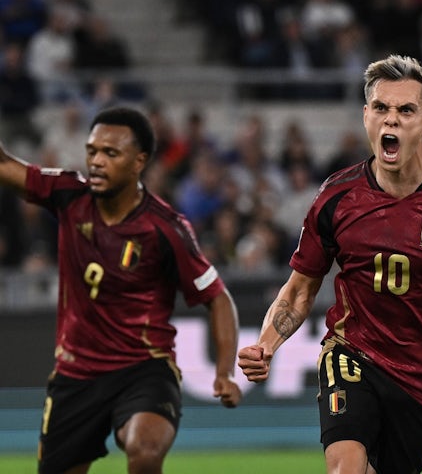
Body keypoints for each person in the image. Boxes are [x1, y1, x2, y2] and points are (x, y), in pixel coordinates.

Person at [238, 54, 422, 474]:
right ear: (366, 116)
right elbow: (299, 288)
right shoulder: (336, 197)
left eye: (406, 110)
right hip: (351, 354)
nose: (391, 120)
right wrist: (267, 344)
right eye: (381, 108)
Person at [0, 106, 242, 473]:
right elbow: (5, 166)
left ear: (138, 162)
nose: (96, 162)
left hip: (143, 369)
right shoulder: (68, 194)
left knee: (144, 448)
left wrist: (224, 371)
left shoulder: (165, 229)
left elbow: (217, 298)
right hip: (75, 375)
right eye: (92, 151)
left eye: (110, 153)